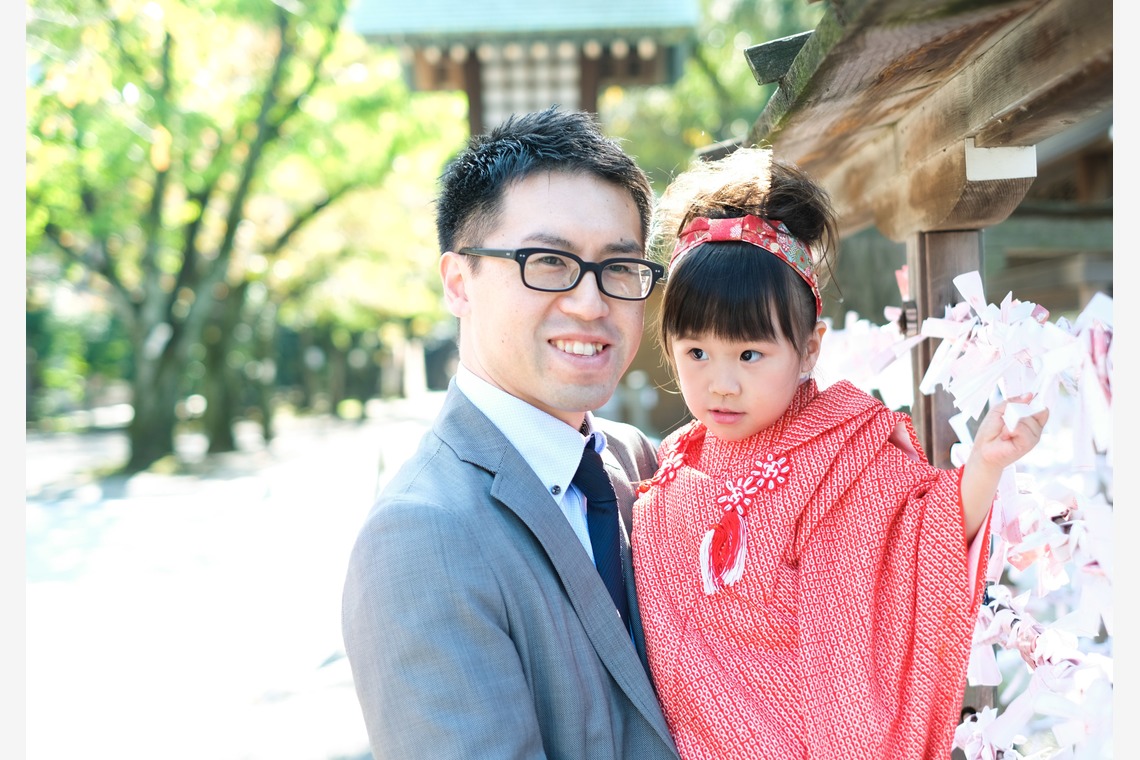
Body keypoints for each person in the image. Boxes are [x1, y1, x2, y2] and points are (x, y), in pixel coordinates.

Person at [630, 147, 1049, 760]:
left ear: (808, 348)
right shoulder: (667, 473)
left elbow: (919, 530)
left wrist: (984, 465)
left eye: (749, 355)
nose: (721, 383)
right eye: (696, 353)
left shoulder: (844, 448)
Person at [341, 106, 680, 760]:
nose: (591, 303)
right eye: (548, 261)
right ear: (459, 281)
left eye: (619, 267)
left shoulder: (637, 463)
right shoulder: (422, 535)